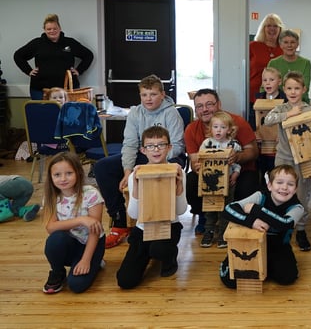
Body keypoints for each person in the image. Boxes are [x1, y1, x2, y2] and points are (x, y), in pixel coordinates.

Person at [94, 74, 185, 248]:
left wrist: (157, 156)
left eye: (152, 94)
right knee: (102, 167)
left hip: (168, 154)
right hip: (142, 153)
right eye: (144, 95)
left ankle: (160, 217)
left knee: (167, 165)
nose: (148, 99)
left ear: (162, 94)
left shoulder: (171, 113)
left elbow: (178, 145)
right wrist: (128, 173)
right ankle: (120, 221)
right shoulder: (135, 112)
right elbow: (129, 144)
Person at [116, 126, 187, 289]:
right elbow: (134, 214)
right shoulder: (136, 174)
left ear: (169, 148)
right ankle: (148, 252)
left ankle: (168, 258)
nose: (156, 150)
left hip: (169, 226)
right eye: (150, 146)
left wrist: (178, 185)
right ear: (143, 150)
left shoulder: (177, 171)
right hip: (143, 228)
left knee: (158, 248)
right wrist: (135, 184)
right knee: (125, 281)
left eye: (161, 145)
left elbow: (181, 210)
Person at [184, 89, 259, 234]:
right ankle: (205, 217)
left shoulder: (237, 122)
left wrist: (238, 157)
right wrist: (198, 167)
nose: (204, 109)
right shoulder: (191, 129)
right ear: (196, 109)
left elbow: (253, 151)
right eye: (199, 106)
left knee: (248, 185)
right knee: (191, 181)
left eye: (209, 104)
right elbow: (194, 160)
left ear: (219, 104)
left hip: (239, 171)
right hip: (210, 173)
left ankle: (236, 218)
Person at [220, 164, 304, 287]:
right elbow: (228, 209)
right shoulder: (260, 196)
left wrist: (255, 209)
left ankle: (266, 266)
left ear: (296, 189)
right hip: (250, 246)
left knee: (287, 278)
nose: (284, 187)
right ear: (270, 185)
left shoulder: (297, 207)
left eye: (290, 184)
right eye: (279, 182)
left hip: (278, 248)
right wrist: (251, 222)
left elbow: (284, 223)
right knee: (230, 281)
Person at [262, 71, 311, 252]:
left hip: (304, 160)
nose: (293, 92)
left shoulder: (310, 110)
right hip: (284, 158)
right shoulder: (281, 109)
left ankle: (300, 230)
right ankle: (280, 226)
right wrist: (288, 115)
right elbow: (267, 120)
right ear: (284, 89)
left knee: (302, 194)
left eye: (297, 88)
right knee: (280, 192)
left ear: (304, 89)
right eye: (289, 88)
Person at [42, 152, 105, 294]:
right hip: (69, 243)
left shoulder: (91, 193)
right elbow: (51, 227)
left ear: (78, 173)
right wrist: (81, 220)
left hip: (91, 243)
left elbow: (94, 231)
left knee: (76, 286)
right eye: (57, 175)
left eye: (69, 173)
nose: (63, 179)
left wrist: (86, 260)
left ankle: (96, 261)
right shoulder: (51, 196)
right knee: (55, 239)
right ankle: (57, 272)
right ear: (51, 177)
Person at [14, 13, 94, 100]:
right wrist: (28, 71)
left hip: (67, 89)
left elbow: (88, 55)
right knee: (42, 113)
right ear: (44, 30)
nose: (52, 31)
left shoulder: (70, 43)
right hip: (40, 89)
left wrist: (79, 70)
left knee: (67, 113)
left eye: (55, 28)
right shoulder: (37, 43)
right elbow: (18, 56)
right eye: (49, 29)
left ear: (60, 28)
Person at [198, 111, 243, 249]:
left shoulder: (233, 145)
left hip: (227, 183)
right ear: (210, 128)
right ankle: (209, 232)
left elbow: (237, 164)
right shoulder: (206, 143)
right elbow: (201, 161)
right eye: (215, 127)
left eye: (223, 127)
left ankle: (223, 234)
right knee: (210, 209)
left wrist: (235, 174)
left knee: (225, 209)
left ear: (229, 130)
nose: (219, 130)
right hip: (210, 184)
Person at [250, 67, 287, 175]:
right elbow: (253, 119)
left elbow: (286, 119)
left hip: (278, 145)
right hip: (262, 143)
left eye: (271, 80)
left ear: (279, 82)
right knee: (263, 171)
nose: (268, 83)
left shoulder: (285, 100)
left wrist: (282, 134)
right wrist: (255, 133)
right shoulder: (258, 99)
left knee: (276, 171)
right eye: (265, 80)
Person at [267, 30, 311, 103]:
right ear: (280, 45)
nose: (289, 45)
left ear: (297, 44)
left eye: (292, 42)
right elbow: (266, 86)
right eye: (286, 42)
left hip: (301, 104)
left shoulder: (306, 63)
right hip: (277, 104)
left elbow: (305, 87)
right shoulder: (273, 63)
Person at [249, 14, 284, 106]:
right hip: (254, 95)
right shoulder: (253, 46)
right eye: (268, 26)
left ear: (280, 30)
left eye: (275, 26)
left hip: (278, 96)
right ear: (263, 29)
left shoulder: (283, 49)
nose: (272, 29)